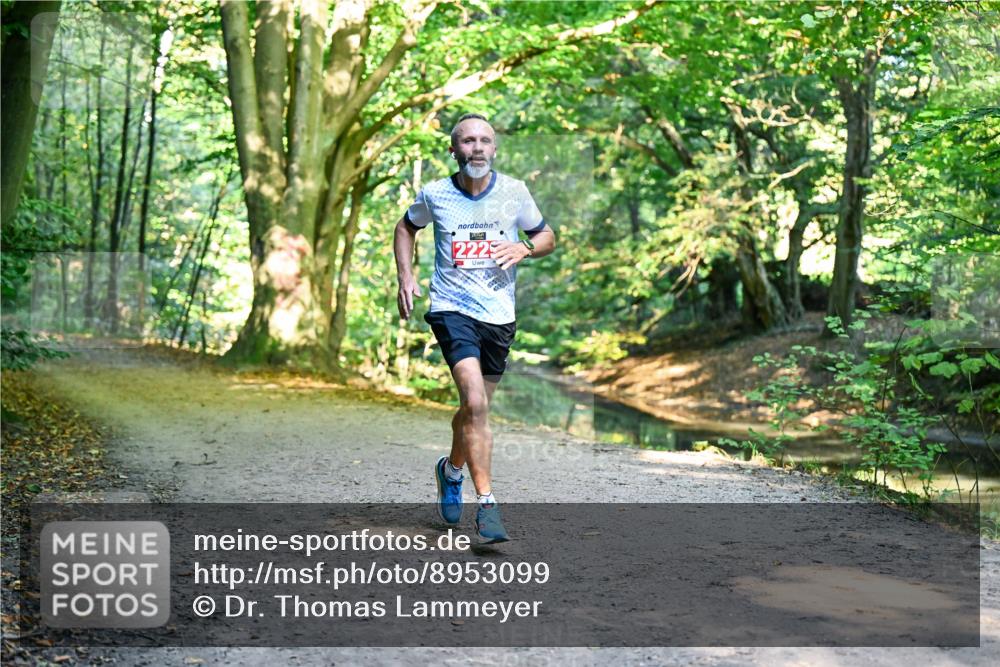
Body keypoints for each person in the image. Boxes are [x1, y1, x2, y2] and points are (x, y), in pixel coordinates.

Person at [393, 113, 556, 544]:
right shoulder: (436, 194)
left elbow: (547, 237)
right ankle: (487, 506)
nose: (477, 147)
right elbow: (406, 227)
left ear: (494, 149)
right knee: (476, 403)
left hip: (499, 315)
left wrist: (523, 248)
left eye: (484, 140)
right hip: (452, 309)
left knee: (474, 409)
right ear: (454, 150)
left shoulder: (514, 192)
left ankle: (451, 471)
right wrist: (405, 276)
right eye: (467, 141)